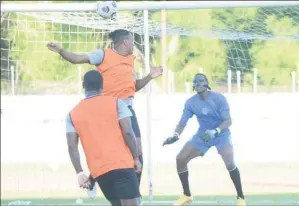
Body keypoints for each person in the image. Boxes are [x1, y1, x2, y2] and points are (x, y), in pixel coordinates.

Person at [47, 29, 162, 197]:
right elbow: (77, 59)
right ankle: (94, 180)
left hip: (126, 109)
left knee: (136, 149)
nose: (133, 45)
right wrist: (61, 50)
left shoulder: (130, 61)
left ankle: (133, 194)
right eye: (132, 41)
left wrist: (150, 76)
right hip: (107, 110)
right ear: (125, 42)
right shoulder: (103, 55)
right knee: (107, 152)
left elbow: (134, 87)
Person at [162, 73, 246, 206]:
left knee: (230, 162)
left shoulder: (219, 98)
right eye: (195, 81)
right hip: (203, 135)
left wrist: (216, 131)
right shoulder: (191, 102)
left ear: (207, 83)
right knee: (180, 159)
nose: (198, 83)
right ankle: (186, 195)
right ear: (193, 86)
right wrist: (175, 135)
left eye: (201, 80)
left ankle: (240, 198)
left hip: (221, 133)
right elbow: (182, 122)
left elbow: (228, 121)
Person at [66, 70, 142, 206]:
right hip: (122, 165)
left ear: (83, 85)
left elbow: (72, 147)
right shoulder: (116, 103)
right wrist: (136, 157)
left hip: (100, 172)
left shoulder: (72, 114)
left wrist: (80, 173)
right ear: (102, 85)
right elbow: (129, 133)